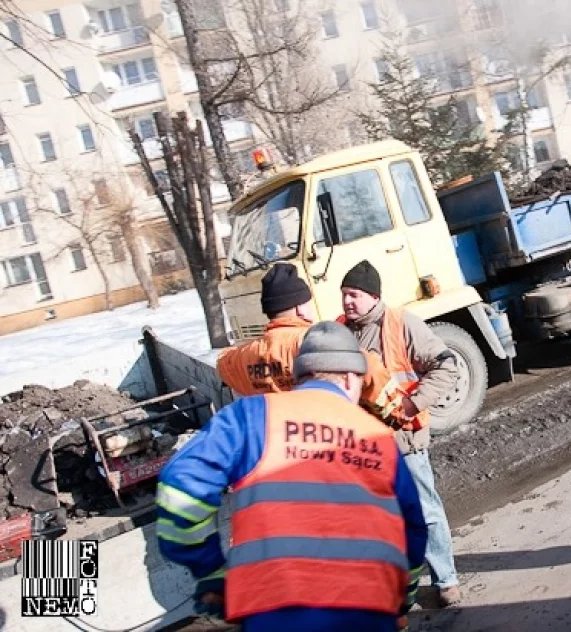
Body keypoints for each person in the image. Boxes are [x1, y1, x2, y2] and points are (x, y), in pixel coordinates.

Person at [157, 321, 428, 632]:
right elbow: (413, 532)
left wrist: (210, 570)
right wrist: (402, 600)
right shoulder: (380, 440)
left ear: (302, 376)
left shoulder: (251, 415)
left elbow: (180, 489)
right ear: (353, 377)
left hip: (276, 612)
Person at [339, 260, 462, 607]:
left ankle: (446, 580)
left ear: (373, 295)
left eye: (354, 295)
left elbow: (446, 365)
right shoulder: (340, 331)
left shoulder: (401, 323)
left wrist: (411, 405)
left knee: (425, 512)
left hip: (403, 442)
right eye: (344, 295)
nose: (347, 302)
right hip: (363, 449)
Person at [217, 262, 403, 422]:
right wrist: (404, 415)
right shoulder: (320, 342)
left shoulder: (243, 356)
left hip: (280, 446)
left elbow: (223, 362)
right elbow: (373, 373)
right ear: (299, 308)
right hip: (326, 443)